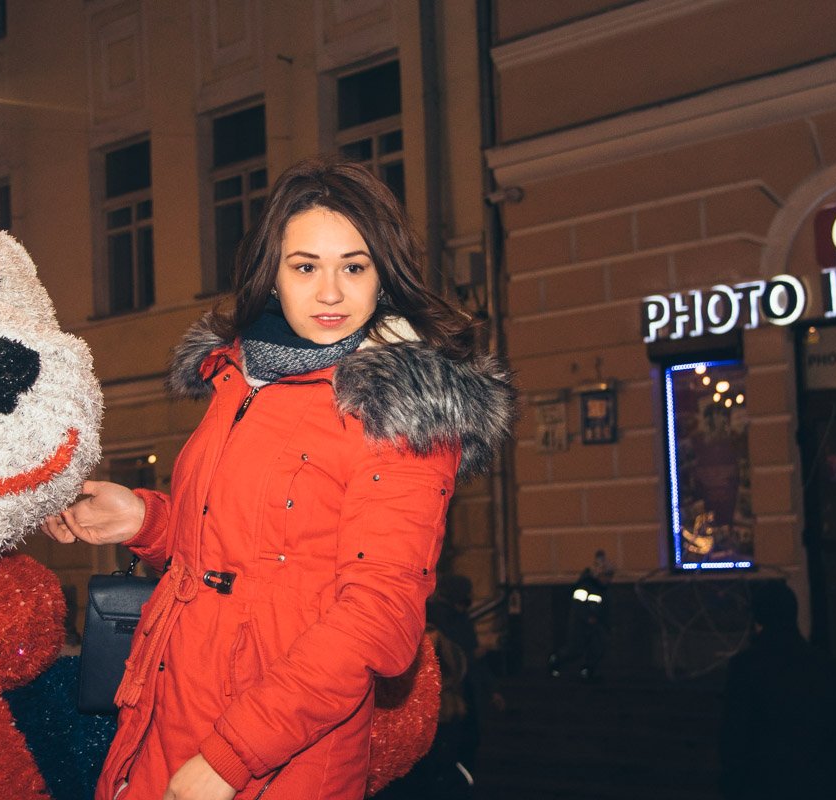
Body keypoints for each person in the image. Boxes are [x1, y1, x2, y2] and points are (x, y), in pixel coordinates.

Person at [42, 157, 514, 800]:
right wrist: (147, 519)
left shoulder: (399, 410)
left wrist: (232, 756)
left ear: (384, 276)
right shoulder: (242, 377)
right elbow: (250, 545)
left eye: (354, 266)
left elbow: (376, 618)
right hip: (167, 713)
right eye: (305, 266)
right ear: (273, 275)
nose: (329, 293)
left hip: (278, 754)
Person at [719, 581, 836, 799]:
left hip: (763, 783)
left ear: (758, 618)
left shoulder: (746, 666)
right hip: (817, 782)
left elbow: (735, 737)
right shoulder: (825, 665)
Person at [547, 550, 613, 682]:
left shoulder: (601, 589)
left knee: (597, 647)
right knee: (574, 650)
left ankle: (588, 672)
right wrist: (588, 618)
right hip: (580, 625)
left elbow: (603, 608)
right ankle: (555, 661)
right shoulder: (584, 586)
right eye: (605, 576)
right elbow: (578, 606)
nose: (608, 579)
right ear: (598, 575)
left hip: (594, 625)